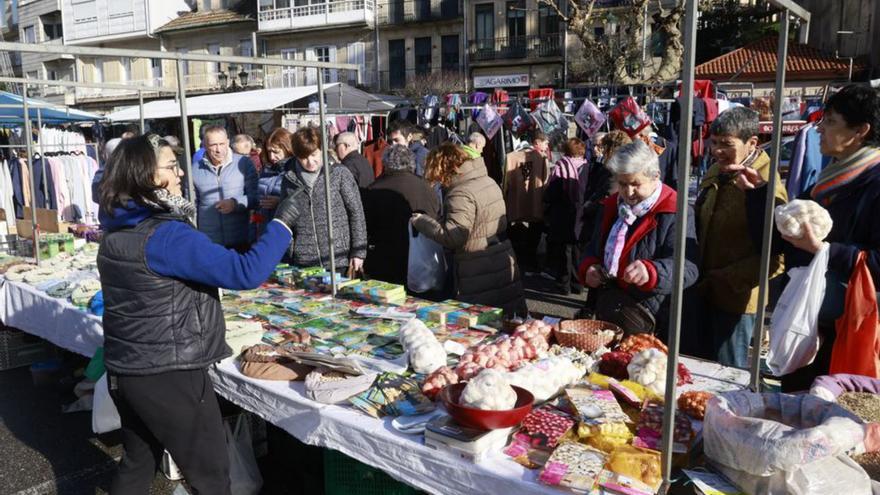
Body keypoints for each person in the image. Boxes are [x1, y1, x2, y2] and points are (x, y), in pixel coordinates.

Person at [97, 134, 304, 495]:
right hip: (169, 374)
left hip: (127, 368)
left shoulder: (116, 227)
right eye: (171, 166)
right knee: (211, 478)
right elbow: (245, 272)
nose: (180, 174)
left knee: (137, 464)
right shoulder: (165, 235)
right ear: (148, 176)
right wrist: (283, 224)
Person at [734, 85, 880, 389]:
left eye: (830, 122)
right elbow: (780, 240)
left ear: (860, 131)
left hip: (844, 330)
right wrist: (760, 194)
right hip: (806, 321)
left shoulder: (873, 185)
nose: (819, 130)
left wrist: (825, 250)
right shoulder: (827, 179)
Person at [683, 107, 787, 368]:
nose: (717, 150)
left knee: (727, 373)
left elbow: (777, 257)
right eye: (714, 143)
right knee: (699, 367)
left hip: (737, 300)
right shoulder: (716, 171)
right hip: (702, 290)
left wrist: (725, 279)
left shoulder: (765, 184)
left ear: (752, 142)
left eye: (726, 144)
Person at [579, 140, 699, 338]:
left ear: (655, 177)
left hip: (652, 319)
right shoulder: (611, 206)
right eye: (622, 184)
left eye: (636, 184)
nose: (628, 192)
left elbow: (688, 268)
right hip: (610, 311)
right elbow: (593, 249)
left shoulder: (676, 211)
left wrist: (652, 272)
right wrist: (589, 267)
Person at [412, 143, 526, 316]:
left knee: (480, 322)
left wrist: (422, 222)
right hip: (500, 256)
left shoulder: (460, 193)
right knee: (506, 318)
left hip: (477, 266)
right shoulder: (487, 181)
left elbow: (454, 237)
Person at [280, 127, 367, 276]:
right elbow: (286, 219)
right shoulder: (289, 180)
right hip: (304, 260)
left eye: (314, 155)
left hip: (338, 258)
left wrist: (358, 252)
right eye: (304, 157)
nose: (310, 161)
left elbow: (356, 212)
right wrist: (291, 250)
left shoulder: (339, 174)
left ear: (321, 150)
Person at [362, 144, 440, 287]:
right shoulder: (427, 188)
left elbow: (366, 227)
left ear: (385, 163)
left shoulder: (374, 189)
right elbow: (435, 216)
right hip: (422, 261)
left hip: (385, 262)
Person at [193, 125, 259, 251]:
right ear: (205, 145)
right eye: (213, 145)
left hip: (240, 240)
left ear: (228, 142)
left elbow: (256, 198)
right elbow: (192, 207)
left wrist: (235, 203)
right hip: (208, 243)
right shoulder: (194, 170)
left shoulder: (244, 164)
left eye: (222, 144)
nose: (218, 149)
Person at [545, 138, 589, 295]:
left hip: (562, 214)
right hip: (581, 214)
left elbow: (551, 193)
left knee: (564, 251)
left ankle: (564, 285)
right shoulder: (587, 167)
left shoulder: (560, 166)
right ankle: (578, 284)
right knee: (577, 251)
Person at [254, 128, 294, 235]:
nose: (272, 156)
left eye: (276, 152)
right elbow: (259, 206)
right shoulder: (266, 171)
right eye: (269, 151)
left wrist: (280, 202)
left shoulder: (295, 172)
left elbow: (302, 201)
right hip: (263, 232)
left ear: (287, 149)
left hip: (284, 232)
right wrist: (255, 225)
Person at [91, 137, 122, 203]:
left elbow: (95, 197)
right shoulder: (135, 170)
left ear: (106, 155)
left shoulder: (101, 173)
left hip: (109, 210)